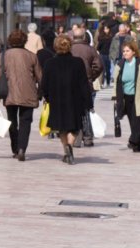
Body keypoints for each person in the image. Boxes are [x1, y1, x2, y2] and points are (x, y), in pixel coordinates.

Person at [41, 35, 92, 165]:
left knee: (61, 128)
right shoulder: (78, 62)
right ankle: (70, 145)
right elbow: (84, 83)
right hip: (74, 100)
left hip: (57, 99)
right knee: (75, 127)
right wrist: (88, 102)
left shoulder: (50, 63)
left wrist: (46, 97)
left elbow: (44, 84)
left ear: (55, 46)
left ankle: (66, 148)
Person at [0, 30, 42, 161]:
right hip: (28, 93)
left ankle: (15, 148)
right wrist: (42, 92)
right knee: (26, 122)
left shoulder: (3, 56)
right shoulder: (32, 56)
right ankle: (22, 148)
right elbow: (40, 77)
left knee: (12, 121)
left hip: (9, 93)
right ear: (24, 41)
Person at [71, 27, 103, 147]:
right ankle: (88, 137)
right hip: (86, 83)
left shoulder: (69, 49)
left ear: (73, 37)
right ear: (84, 37)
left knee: (74, 110)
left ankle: (77, 137)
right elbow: (99, 66)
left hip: (71, 85)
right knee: (85, 110)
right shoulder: (90, 50)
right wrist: (92, 76)